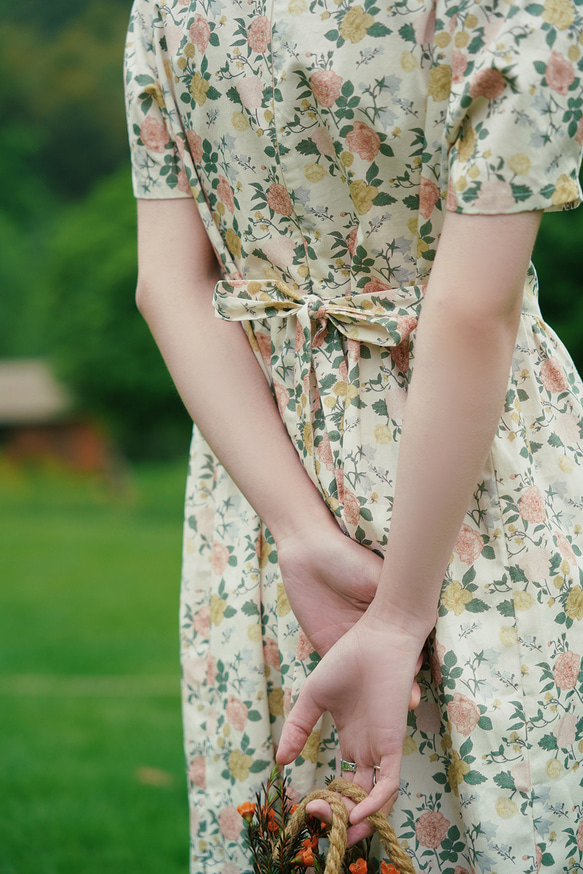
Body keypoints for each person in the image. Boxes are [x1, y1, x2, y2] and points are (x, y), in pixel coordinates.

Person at [124, 0, 583, 869]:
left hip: (258, 473)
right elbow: (467, 309)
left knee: (294, 828)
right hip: (465, 482)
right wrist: (401, 612)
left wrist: (299, 534)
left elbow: (166, 285)